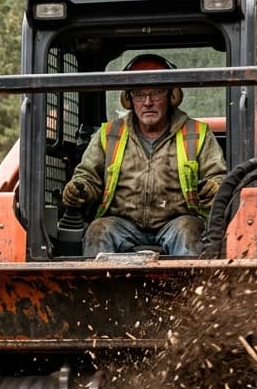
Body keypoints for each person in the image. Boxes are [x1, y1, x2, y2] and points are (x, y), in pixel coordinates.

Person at [61, 54, 227, 256]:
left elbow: (219, 177)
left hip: (177, 222)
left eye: (156, 93)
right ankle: (101, 288)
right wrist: (80, 190)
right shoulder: (110, 134)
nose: (147, 102)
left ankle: (192, 288)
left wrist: (214, 187)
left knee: (189, 230)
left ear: (172, 96)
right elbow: (88, 177)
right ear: (128, 99)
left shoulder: (196, 133)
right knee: (99, 230)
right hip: (122, 223)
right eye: (139, 94)